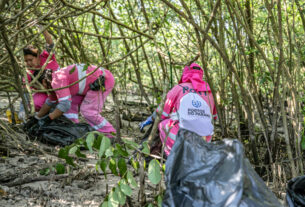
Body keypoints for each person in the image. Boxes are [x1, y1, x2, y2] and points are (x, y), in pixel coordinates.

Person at [139, 63, 217, 156]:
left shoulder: (179, 88)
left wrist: (149, 120)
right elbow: (214, 118)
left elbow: (161, 113)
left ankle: (169, 155)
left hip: (180, 137)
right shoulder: (209, 93)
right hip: (205, 140)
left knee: (163, 123)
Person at [31, 64, 116, 138]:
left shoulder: (57, 80)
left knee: (88, 111)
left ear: (43, 82)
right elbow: (50, 102)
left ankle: (110, 133)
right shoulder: (54, 81)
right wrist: (37, 117)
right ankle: (74, 129)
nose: (36, 89)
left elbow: (64, 105)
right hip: (90, 85)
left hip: (102, 81)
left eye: (36, 86)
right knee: (71, 105)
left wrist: (48, 118)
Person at [19, 25, 60, 121]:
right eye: (26, 61)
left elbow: (50, 43)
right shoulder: (28, 72)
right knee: (35, 103)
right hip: (44, 93)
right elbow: (25, 91)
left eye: (30, 59)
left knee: (60, 101)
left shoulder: (46, 57)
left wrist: (43, 30)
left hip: (58, 88)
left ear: (37, 56)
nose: (28, 63)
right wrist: (22, 109)